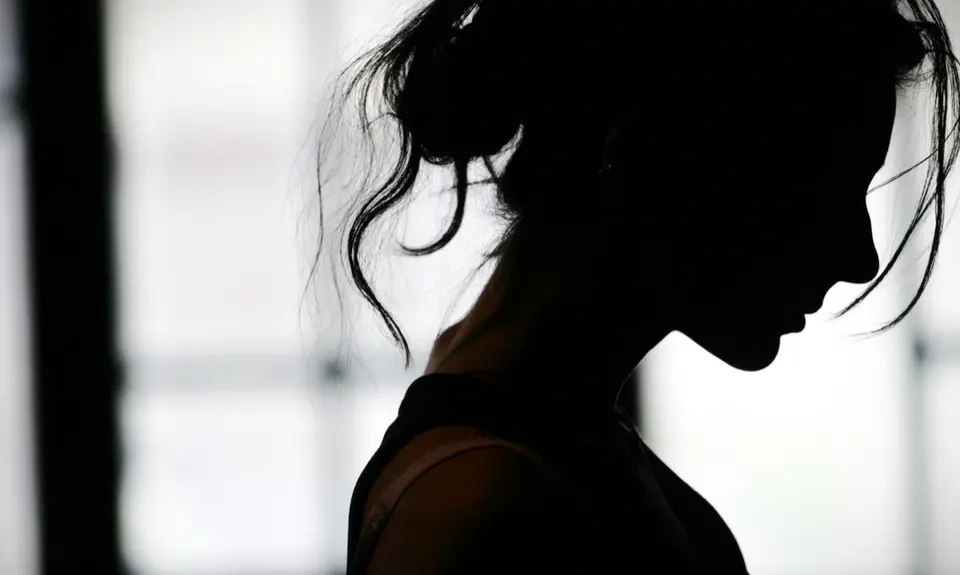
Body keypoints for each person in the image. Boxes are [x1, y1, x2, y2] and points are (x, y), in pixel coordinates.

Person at [305, 0, 960, 572]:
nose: (860, 256)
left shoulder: (539, 442)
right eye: (821, 196)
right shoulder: (482, 507)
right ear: (644, 159)